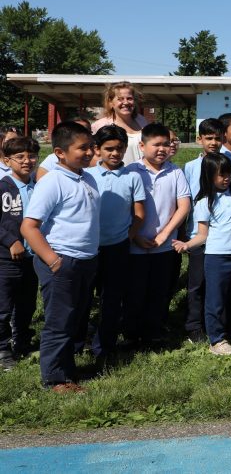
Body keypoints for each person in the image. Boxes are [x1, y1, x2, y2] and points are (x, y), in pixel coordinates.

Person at [20, 122, 99, 392]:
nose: (89, 152)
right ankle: (55, 378)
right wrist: (53, 261)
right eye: (82, 148)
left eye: (91, 147)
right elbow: (29, 226)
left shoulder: (87, 178)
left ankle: (68, 369)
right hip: (62, 261)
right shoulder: (52, 180)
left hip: (86, 260)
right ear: (60, 153)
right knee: (59, 320)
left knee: (76, 319)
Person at [173, 153, 231, 356]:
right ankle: (217, 340)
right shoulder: (204, 202)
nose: (226, 178)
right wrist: (187, 245)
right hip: (216, 258)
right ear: (209, 176)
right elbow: (203, 235)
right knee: (215, 301)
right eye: (220, 175)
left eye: (228, 173)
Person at [124, 123, 191, 346]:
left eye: (166, 144)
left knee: (159, 291)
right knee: (134, 291)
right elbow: (126, 208)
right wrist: (134, 236)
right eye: (156, 144)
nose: (162, 149)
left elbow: (183, 206)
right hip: (136, 245)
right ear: (142, 146)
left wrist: (165, 234)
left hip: (163, 245)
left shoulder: (175, 172)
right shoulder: (131, 171)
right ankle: (132, 334)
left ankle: (154, 331)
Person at [83, 126, 146, 361]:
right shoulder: (88, 175)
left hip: (118, 248)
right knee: (84, 298)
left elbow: (139, 214)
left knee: (111, 300)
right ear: (97, 149)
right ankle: (79, 341)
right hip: (89, 247)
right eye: (109, 149)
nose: (115, 153)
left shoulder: (133, 176)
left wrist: (127, 237)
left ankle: (104, 348)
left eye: (119, 148)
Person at [181, 118, 226, 343]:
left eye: (218, 138)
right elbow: (185, 200)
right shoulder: (189, 167)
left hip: (221, 238)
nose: (214, 142)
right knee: (196, 283)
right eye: (209, 138)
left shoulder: (229, 164)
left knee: (217, 284)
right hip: (197, 236)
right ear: (200, 139)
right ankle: (194, 325)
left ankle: (217, 323)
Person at [0, 136, 38, 370]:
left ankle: (22, 340)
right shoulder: (3, 186)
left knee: (27, 303)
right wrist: (11, 240)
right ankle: (3, 349)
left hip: (33, 258)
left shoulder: (39, 186)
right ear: (6, 160)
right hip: (6, 258)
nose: (27, 161)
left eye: (31, 156)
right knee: (3, 305)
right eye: (20, 157)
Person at [91, 82, 149, 165]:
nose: (125, 102)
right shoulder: (100, 125)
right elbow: (94, 156)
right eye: (120, 99)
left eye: (129, 98)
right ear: (111, 103)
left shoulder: (142, 121)